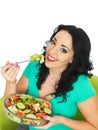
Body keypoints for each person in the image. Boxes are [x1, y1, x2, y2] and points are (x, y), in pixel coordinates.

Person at [1, 24, 98, 130]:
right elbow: (10, 104)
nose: (51, 51)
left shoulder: (81, 85)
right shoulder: (34, 66)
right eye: (53, 42)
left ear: (73, 59)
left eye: (63, 50)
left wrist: (61, 120)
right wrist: (10, 82)